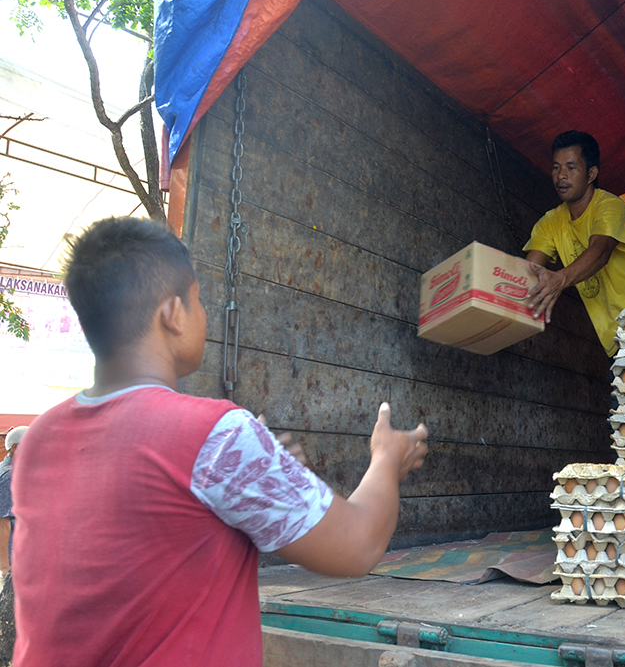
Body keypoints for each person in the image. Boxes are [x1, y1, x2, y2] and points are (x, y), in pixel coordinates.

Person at [11, 216, 428, 666]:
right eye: (198, 300)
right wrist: (387, 459)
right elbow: (358, 544)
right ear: (172, 315)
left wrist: (260, 467)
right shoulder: (213, 435)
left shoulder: (37, 441)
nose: (203, 314)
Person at [524, 130, 625, 356]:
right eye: (556, 167)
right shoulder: (550, 223)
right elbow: (527, 272)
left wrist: (560, 279)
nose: (561, 176)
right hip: (618, 342)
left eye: (571, 167)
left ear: (591, 173)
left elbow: (601, 250)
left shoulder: (610, 207)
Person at [0, 426, 26, 578]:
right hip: (12, 563)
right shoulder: (10, 475)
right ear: (15, 447)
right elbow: (2, 523)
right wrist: (5, 567)